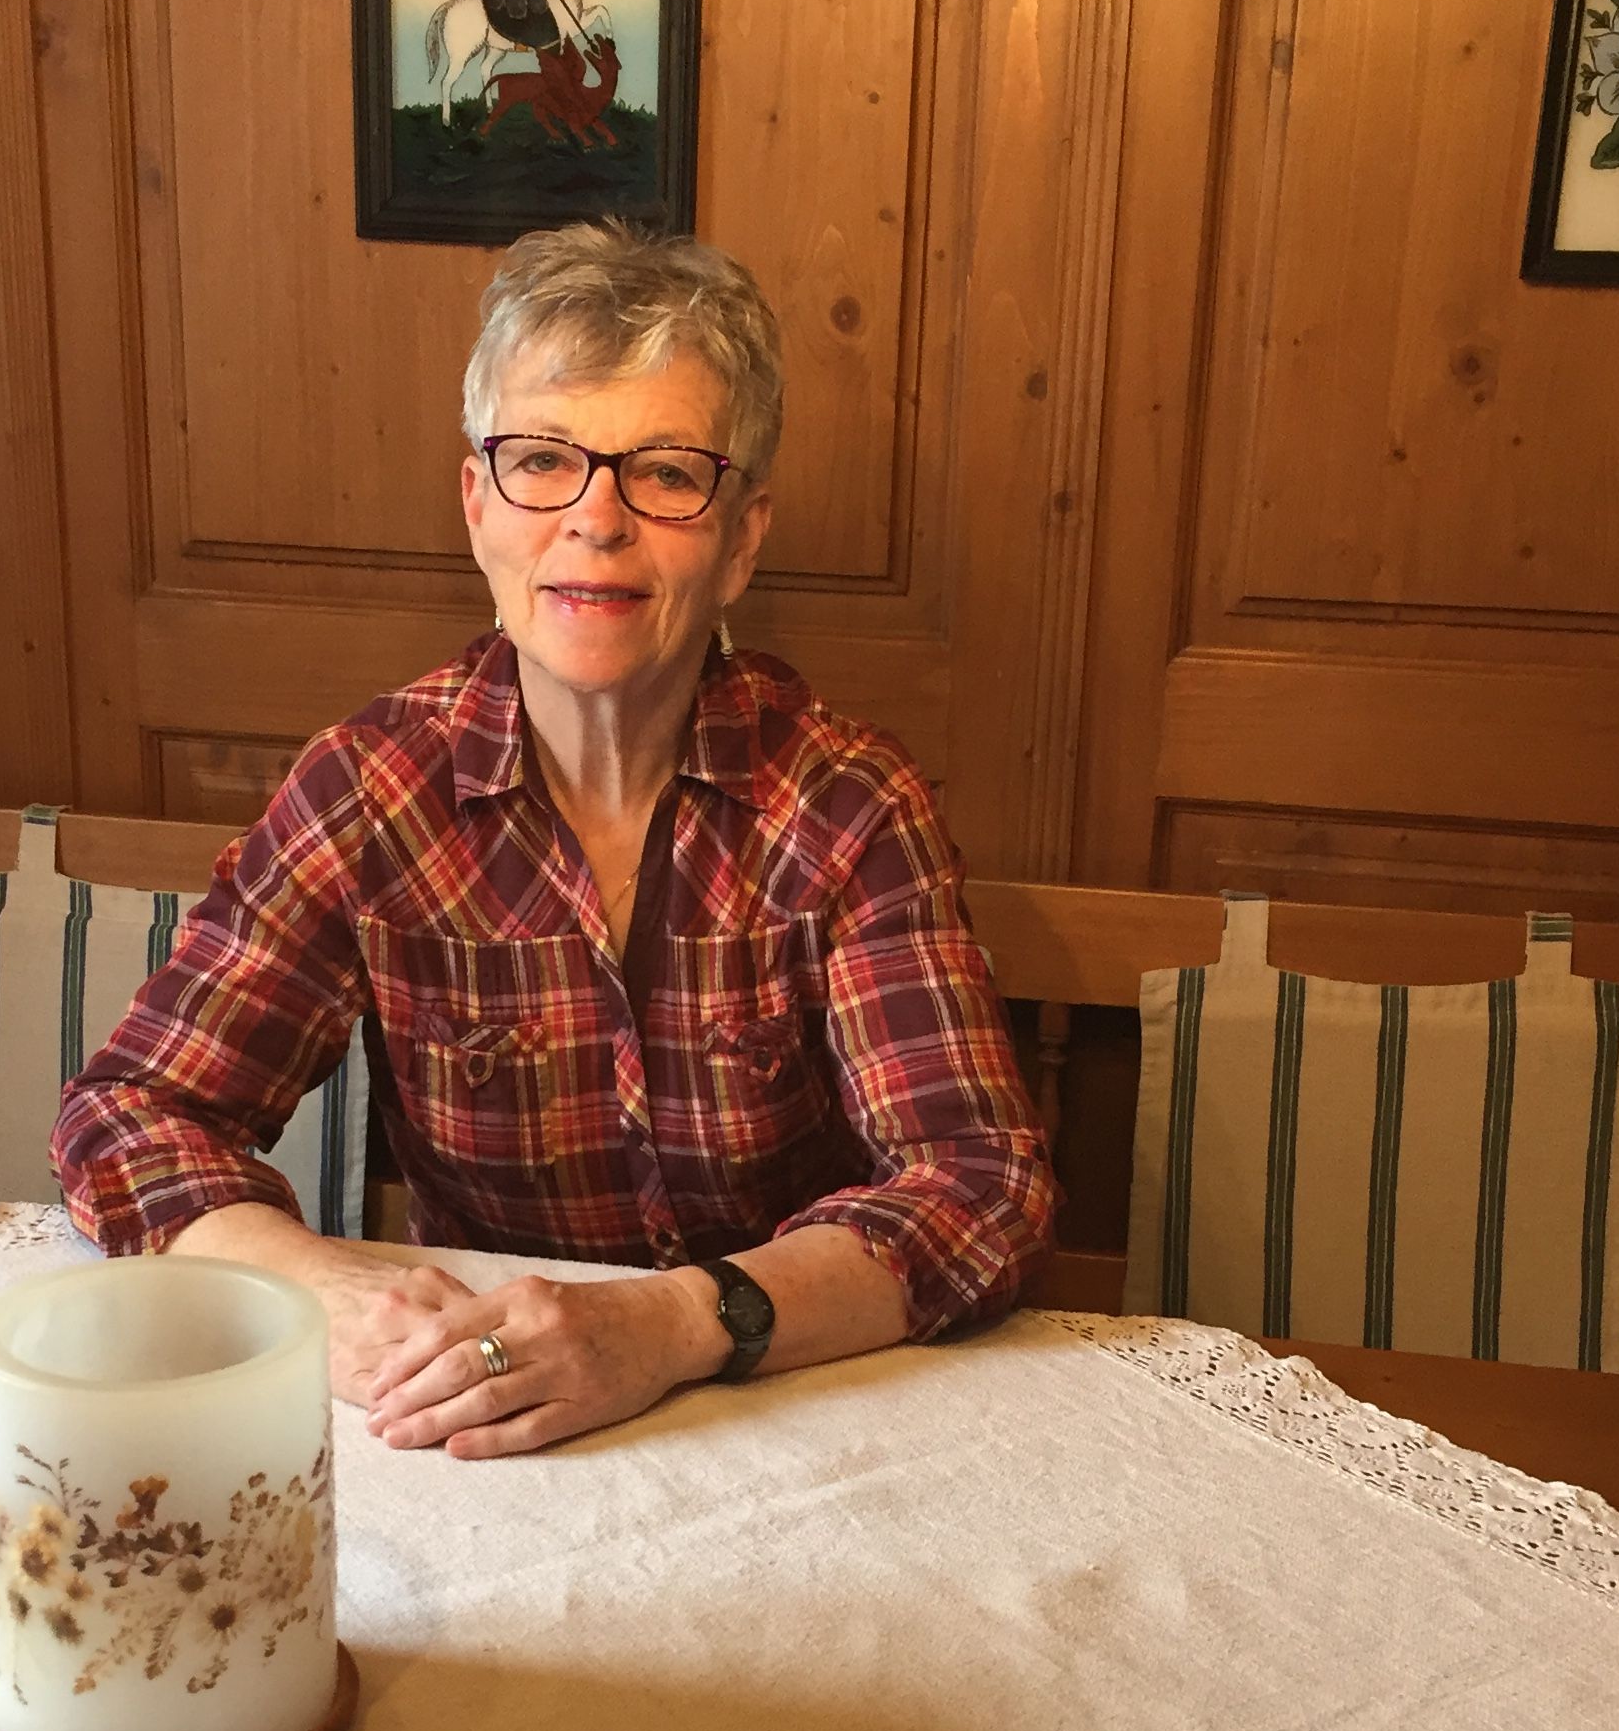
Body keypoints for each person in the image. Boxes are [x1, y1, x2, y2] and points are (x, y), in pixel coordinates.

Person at [53, 222, 1052, 1457]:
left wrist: (679, 1323)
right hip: (473, 1436)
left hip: (792, 1421)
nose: (596, 520)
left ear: (742, 537)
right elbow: (129, 1116)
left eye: (669, 472)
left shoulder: (849, 803)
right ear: (478, 507)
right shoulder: (369, 790)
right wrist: (323, 1286)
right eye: (541, 461)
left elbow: (978, 1187)